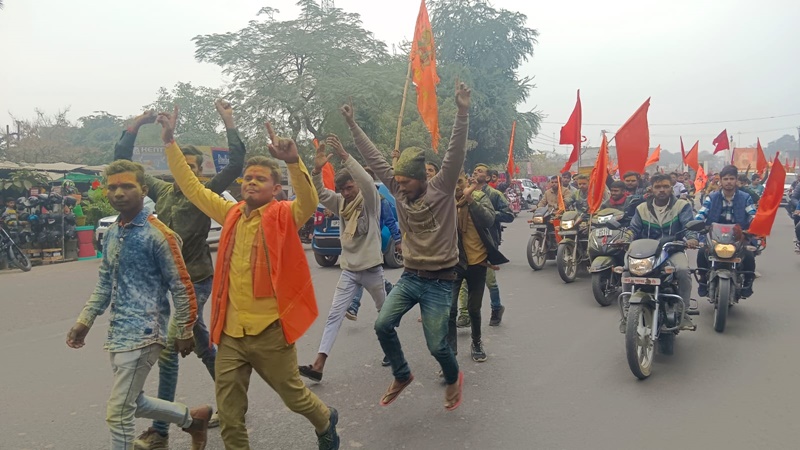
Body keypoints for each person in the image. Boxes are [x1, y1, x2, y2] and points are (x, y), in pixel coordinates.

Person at [158, 108, 339, 450]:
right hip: (230, 334)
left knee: (296, 398)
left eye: (260, 179)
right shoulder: (230, 216)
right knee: (229, 415)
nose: (251, 182)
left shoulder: (285, 215)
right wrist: (170, 142)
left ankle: (325, 420)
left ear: (274, 188)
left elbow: (309, 200)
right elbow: (193, 188)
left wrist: (292, 162)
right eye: (247, 178)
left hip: (270, 331)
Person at [117, 102, 246, 448]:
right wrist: (138, 122)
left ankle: (160, 430)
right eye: (181, 167)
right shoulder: (160, 190)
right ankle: (232, 404)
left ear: (200, 171)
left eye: (191, 168)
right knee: (204, 347)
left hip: (198, 279)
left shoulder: (206, 194)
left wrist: (229, 121)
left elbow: (236, 164)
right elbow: (125, 166)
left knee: (174, 343)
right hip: (167, 281)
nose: (185, 172)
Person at [66, 160, 211, 450]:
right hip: (118, 332)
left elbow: (182, 286)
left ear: (144, 190)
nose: (119, 192)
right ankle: (192, 420)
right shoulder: (111, 235)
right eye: (113, 187)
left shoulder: (160, 235)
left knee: (118, 412)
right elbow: (105, 282)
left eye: (127, 186)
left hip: (147, 332)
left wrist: (184, 329)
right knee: (134, 400)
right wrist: (86, 319)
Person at [345, 83, 472, 411]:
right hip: (411, 277)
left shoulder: (441, 189)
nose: (399, 188)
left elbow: (455, 152)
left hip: (441, 281)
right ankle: (402, 374)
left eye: (404, 182)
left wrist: (461, 111)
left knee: (436, 346)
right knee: (382, 324)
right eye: (396, 182)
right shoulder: (399, 190)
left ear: (420, 179)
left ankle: (454, 375)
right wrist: (353, 126)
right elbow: (373, 156)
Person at [299, 135, 387, 383]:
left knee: (385, 315)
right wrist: (316, 170)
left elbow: (368, 181)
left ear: (356, 185)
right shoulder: (339, 203)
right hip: (349, 270)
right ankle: (319, 364)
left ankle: (392, 351)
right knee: (334, 316)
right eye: (342, 190)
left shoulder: (370, 202)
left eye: (350, 188)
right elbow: (318, 192)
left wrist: (345, 157)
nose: (346, 193)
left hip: (372, 270)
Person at [621, 173, 698, 332]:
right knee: (627, 271)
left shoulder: (682, 206)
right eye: (658, 187)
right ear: (651, 189)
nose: (662, 190)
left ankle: (682, 313)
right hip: (646, 252)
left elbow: (689, 226)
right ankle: (628, 311)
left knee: (683, 270)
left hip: (672, 250)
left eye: (665, 186)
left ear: (672, 188)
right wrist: (625, 238)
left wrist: (692, 239)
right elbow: (633, 229)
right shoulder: (641, 208)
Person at [447, 174, 508, 362]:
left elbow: (489, 220)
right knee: (449, 310)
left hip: (478, 262)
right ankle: (450, 353)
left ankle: (477, 342)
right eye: (452, 182)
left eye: (459, 182)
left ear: (466, 181)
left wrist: (470, 199)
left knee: (474, 308)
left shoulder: (480, 197)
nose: (456, 187)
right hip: (454, 263)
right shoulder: (445, 202)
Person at [455, 163, 513, 327]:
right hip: (467, 245)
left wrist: (486, 213)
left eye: (480, 171)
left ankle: (496, 307)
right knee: (465, 283)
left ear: (488, 177)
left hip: (487, 242)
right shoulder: (462, 193)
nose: (475, 172)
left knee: (490, 281)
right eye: (474, 170)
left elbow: (508, 215)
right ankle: (464, 314)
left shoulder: (494, 194)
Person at [345, 169, 399, 323]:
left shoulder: (380, 200)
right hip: (358, 244)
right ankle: (391, 290)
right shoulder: (354, 200)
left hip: (373, 244)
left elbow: (390, 222)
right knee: (373, 273)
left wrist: (398, 240)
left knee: (362, 271)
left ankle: (354, 305)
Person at [695, 165, 757, 298]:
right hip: (715, 235)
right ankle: (703, 280)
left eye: (732, 178)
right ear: (721, 181)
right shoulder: (711, 197)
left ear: (736, 180)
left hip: (739, 236)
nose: (728, 181)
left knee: (749, 255)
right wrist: (697, 224)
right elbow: (702, 213)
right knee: (701, 252)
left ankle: (748, 282)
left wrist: (754, 227)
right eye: (726, 179)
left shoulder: (745, 198)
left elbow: (752, 214)